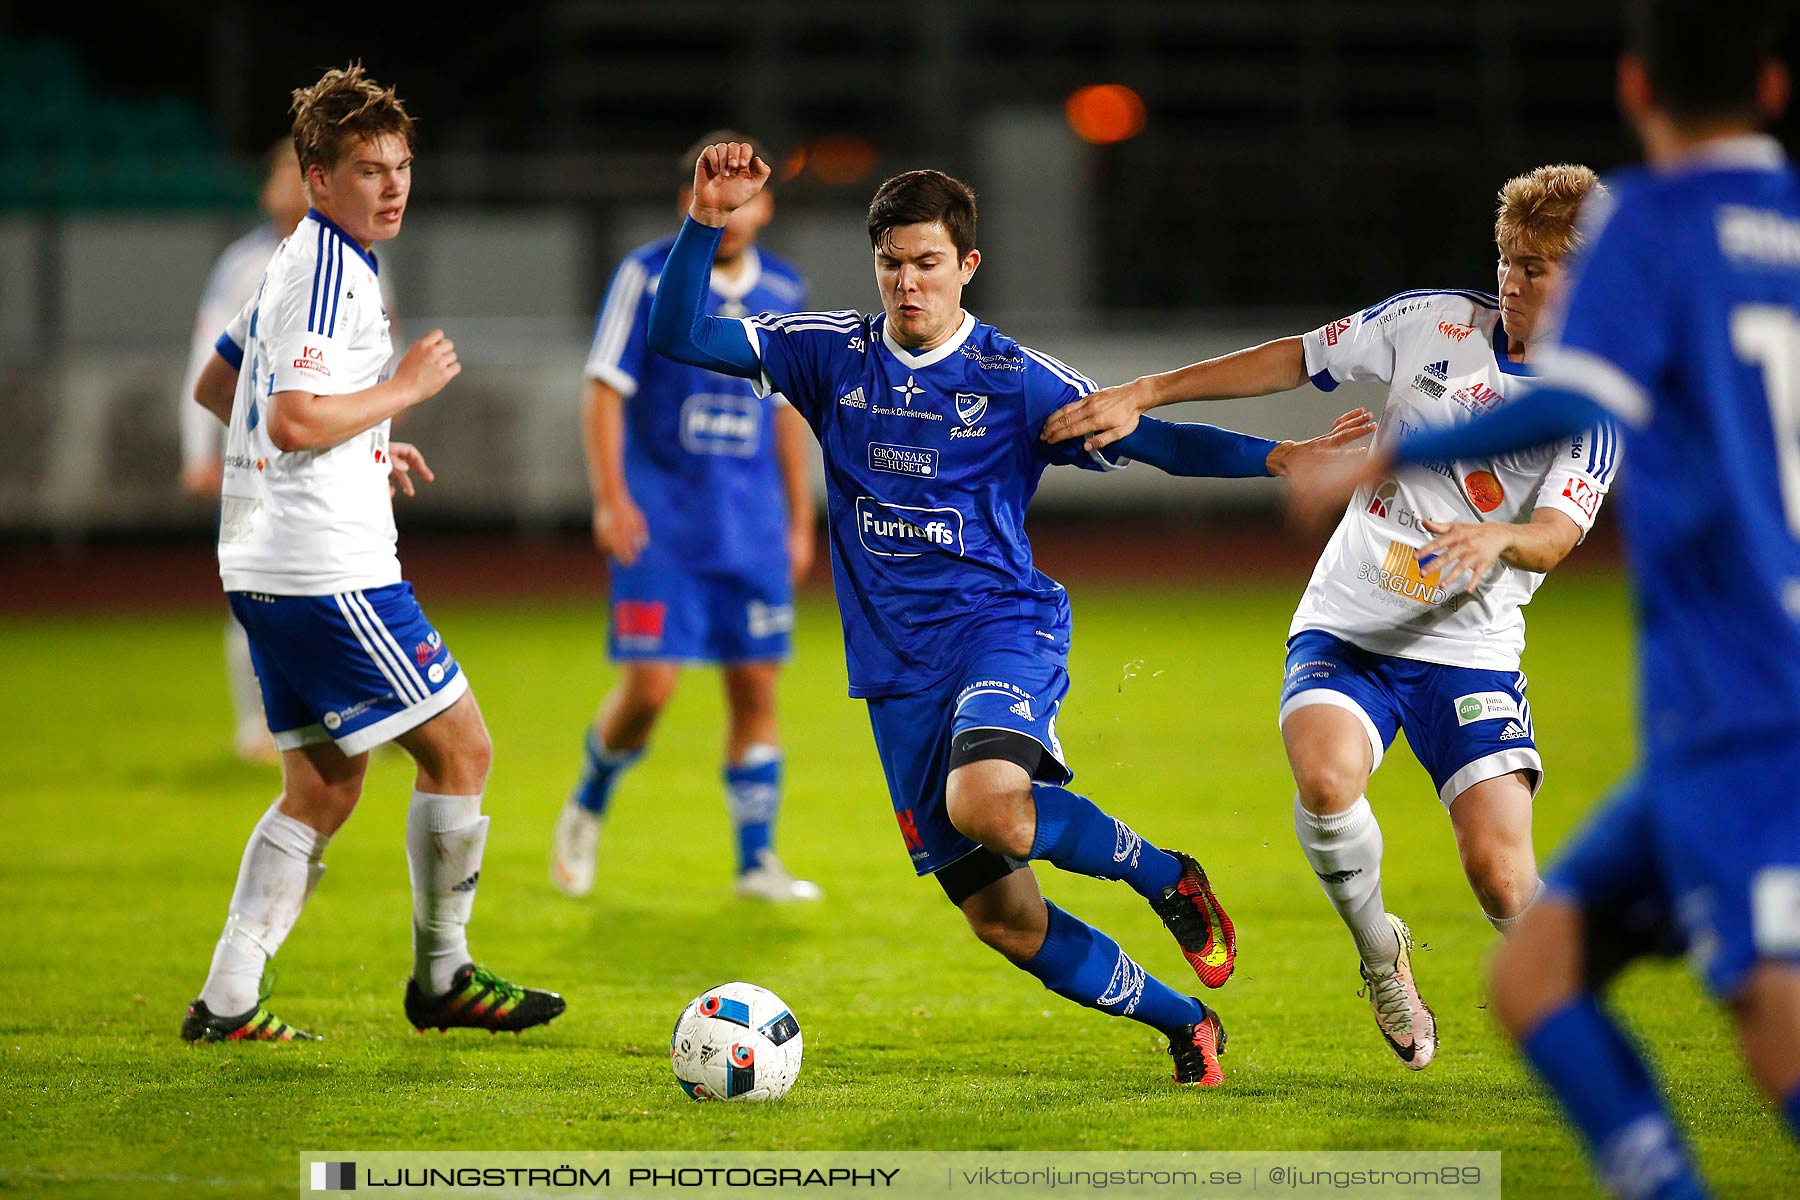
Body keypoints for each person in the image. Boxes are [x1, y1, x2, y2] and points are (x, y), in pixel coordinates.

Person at [647, 143, 1377, 1087]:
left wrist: (1277, 460)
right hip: (893, 670)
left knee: (986, 802)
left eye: (927, 264)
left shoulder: (1014, 379)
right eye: (892, 265)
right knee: (1004, 919)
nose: (908, 285)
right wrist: (706, 223)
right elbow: (678, 336)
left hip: (1002, 629)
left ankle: (1165, 876)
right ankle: (1185, 1022)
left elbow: (1145, 435)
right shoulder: (828, 352)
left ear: (967, 268)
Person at [1294, 1, 1798, 1193]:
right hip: (1708, 713)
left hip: (1747, 695)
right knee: (1532, 975)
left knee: (1772, 1031)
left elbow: (1576, 403)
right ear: (1773, 90)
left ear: (1637, 90)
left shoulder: (1660, 226)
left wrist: (1389, 457)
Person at [1041, 165, 1615, 1071]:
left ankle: (1572, 1013)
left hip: (1468, 654)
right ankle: (1384, 959)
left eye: (1537, 269)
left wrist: (1497, 538)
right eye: (1506, 260)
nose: (1511, 283)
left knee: (1503, 879)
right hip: (1348, 623)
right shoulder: (1435, 321)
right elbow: (1296, 355)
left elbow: (1555, 535)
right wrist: (1147, 392)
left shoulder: (1591, 402)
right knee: (1323, 780)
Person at [179, 64, 564, 1042]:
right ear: (315, 176)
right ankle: (445, 977)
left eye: (400, 166)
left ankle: (226, 999)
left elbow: (222, 389)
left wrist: (361, 445)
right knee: (462, 746)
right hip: (327, 570)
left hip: (265, 566)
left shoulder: (294, 261)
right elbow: (294, 414)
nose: (391, 186)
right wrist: (401, 391)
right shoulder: (327, 269)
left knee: (320, 785)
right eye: (365, 169)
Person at [550, 130, 821, 903]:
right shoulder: (646, 275)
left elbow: (786, 413)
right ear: (689, 200)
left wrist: (799, 519)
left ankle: (756, 862)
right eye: (717, 196)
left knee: (755, 692)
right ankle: (590, 798)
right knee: (651, 690)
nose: (733, 212)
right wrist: (612, 496)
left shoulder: (786, 293)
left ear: (765, 206)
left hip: (751, 525)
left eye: (749, 198)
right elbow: (604, 386)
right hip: (660, 521)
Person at [179, 140, 310, 764]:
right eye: (283, 170)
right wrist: (199, 450)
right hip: (253, 457)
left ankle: (350, 713)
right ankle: (254, 726)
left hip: (322, 458)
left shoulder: (358, 259)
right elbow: (205, 363)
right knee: (252, 591)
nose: (293, 182)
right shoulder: (243, 264)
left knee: (340, 580)